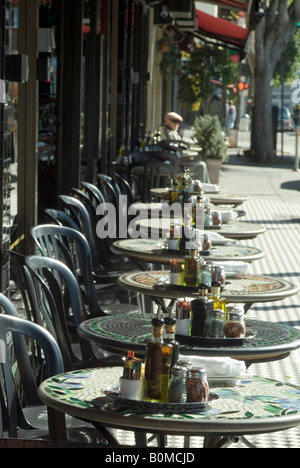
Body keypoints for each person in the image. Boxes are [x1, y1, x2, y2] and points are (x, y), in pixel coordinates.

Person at [160, 112, 211, 184]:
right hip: (174, 164)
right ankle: (203, 189)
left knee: (202, 164)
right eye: (174, 121)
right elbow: (173, 145)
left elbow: (180, 143)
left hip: (177, 161)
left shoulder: (173, 132)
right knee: (201, 166)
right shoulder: (165, 131)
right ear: (167, 121)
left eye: (178, 122)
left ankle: (204, 187)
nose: (176, 124)